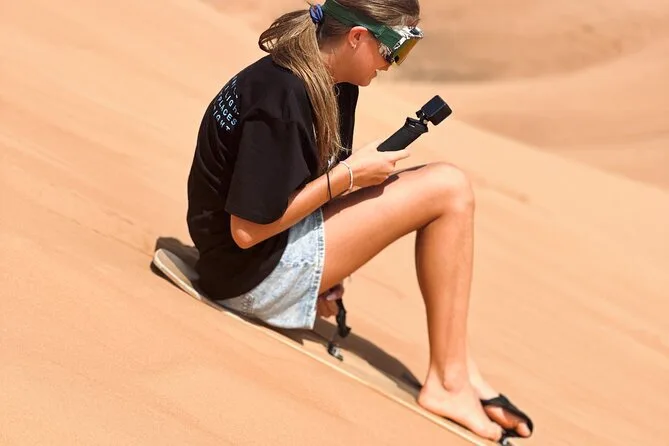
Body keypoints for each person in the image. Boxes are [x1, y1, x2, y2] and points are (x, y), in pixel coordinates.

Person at [186, 0, 533, 442]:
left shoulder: (334, 83)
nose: (392, 65)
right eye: (395, 50)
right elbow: (246, 230)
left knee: (447, 187)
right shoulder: (284, 95)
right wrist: (348, 177)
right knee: (449, 187)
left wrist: (331, 255)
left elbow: (299, 187)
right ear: (357, 37)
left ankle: (462, 372)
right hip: (242, 276)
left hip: (263, 253)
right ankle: (450, 383)